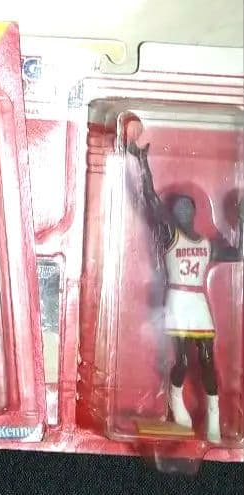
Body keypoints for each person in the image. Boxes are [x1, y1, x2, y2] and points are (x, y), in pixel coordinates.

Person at [128, 129, 243, 443]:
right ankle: (175, 400)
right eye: (178, 208)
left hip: (198, 302)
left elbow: (238, 253)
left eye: (187, 207)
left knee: (207, 360)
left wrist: (241, 221)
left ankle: (214, 416)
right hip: (178, 299)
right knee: (181, 360)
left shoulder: (206, 244)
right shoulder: (170, 235)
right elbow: (150, 199)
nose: (182, 210)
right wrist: (142, 163)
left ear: (193, 212)